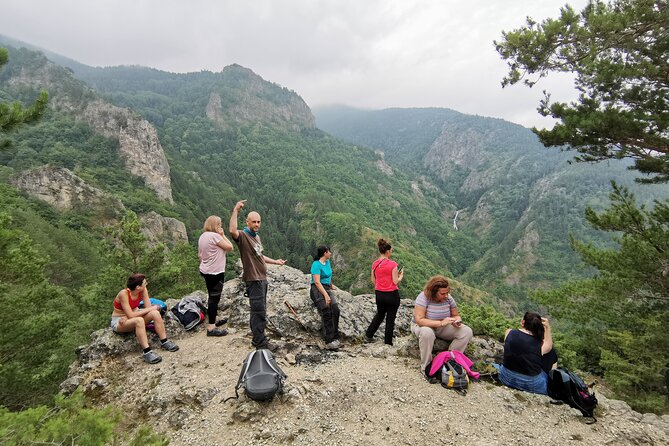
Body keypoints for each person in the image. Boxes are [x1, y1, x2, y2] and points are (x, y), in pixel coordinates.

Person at [229, 200, 286, 350]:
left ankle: (259, 338)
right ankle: (259, 343)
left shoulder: (256, 237)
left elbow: (260, 256)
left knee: (261, 310)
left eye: (259, 222)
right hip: (254, 280)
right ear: (247, 222)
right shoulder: (243, 236)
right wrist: (236, 210)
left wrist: (275, 261)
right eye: (254, 222)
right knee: (258, 312)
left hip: (262, 279)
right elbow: (232, 231)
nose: (257, 224)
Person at [111, 274, 179, 364]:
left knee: (155, 313)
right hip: (120, 321)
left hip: (134, 315)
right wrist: (151, 308)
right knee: (139, 320)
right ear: (138, 287)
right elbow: (131, 315)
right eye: (144, 282)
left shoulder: (143, 290)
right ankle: (147, 352)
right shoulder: (124, 294)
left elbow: (148, 308)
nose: (146, 283)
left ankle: (164, 341)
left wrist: (151, 309)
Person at [412, 275, 473, 374]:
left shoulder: (448, 298)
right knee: (427, 333)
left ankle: (449, 360)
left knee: (467, 331)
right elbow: (419, 320)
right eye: (442, 293)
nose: (446, 295)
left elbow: (456, 315)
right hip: (424, 326)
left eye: (447, 293)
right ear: (433, 291)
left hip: (443, 327)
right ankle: (427, 368)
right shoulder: (423, 297)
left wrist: (457, 321)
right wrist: (440, 323)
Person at [496, 311, 558, 395]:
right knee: (552, 354)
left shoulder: (509, 332)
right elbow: (549, 346)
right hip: (531, 384)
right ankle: (552, 384)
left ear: (523, 322)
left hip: (506, 377)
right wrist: (547, 327)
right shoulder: (540, 344)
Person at [198, 215, 234, 337]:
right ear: (215, 225)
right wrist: (222, 235)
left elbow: (200, 255)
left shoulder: (203, 236)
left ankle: (215, 318)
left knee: (211, 296)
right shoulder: (214, 236)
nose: (220, 226)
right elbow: (230, 247)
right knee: (214, 299)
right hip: (215, 272)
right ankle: (211, 327)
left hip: (205, 270)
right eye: (219, 224)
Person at [365, 238, 404, 345]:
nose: (391, 253)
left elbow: (373, 280)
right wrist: (401, 276)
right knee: (390, 318)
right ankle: (387, 342)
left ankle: (368, 335)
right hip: (392, 295)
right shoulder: (393, 265)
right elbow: (395, 281)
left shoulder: (375, 264)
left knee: (380, 315)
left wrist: (381, 285)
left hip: (379, 294)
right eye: (390, 251)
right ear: (387, 251)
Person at [309, 245, 341, 350]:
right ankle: (329, 340)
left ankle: (335, 337)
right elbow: (317, 282)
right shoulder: (316, 265)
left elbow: (328, 275)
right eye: (329, 252)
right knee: (326, 309)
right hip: (316, 289)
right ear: (325, 253)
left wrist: (331, 285)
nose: (330, 253)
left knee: (335, 309)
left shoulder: (327, 263)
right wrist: (326, 295)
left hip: (326, 287)